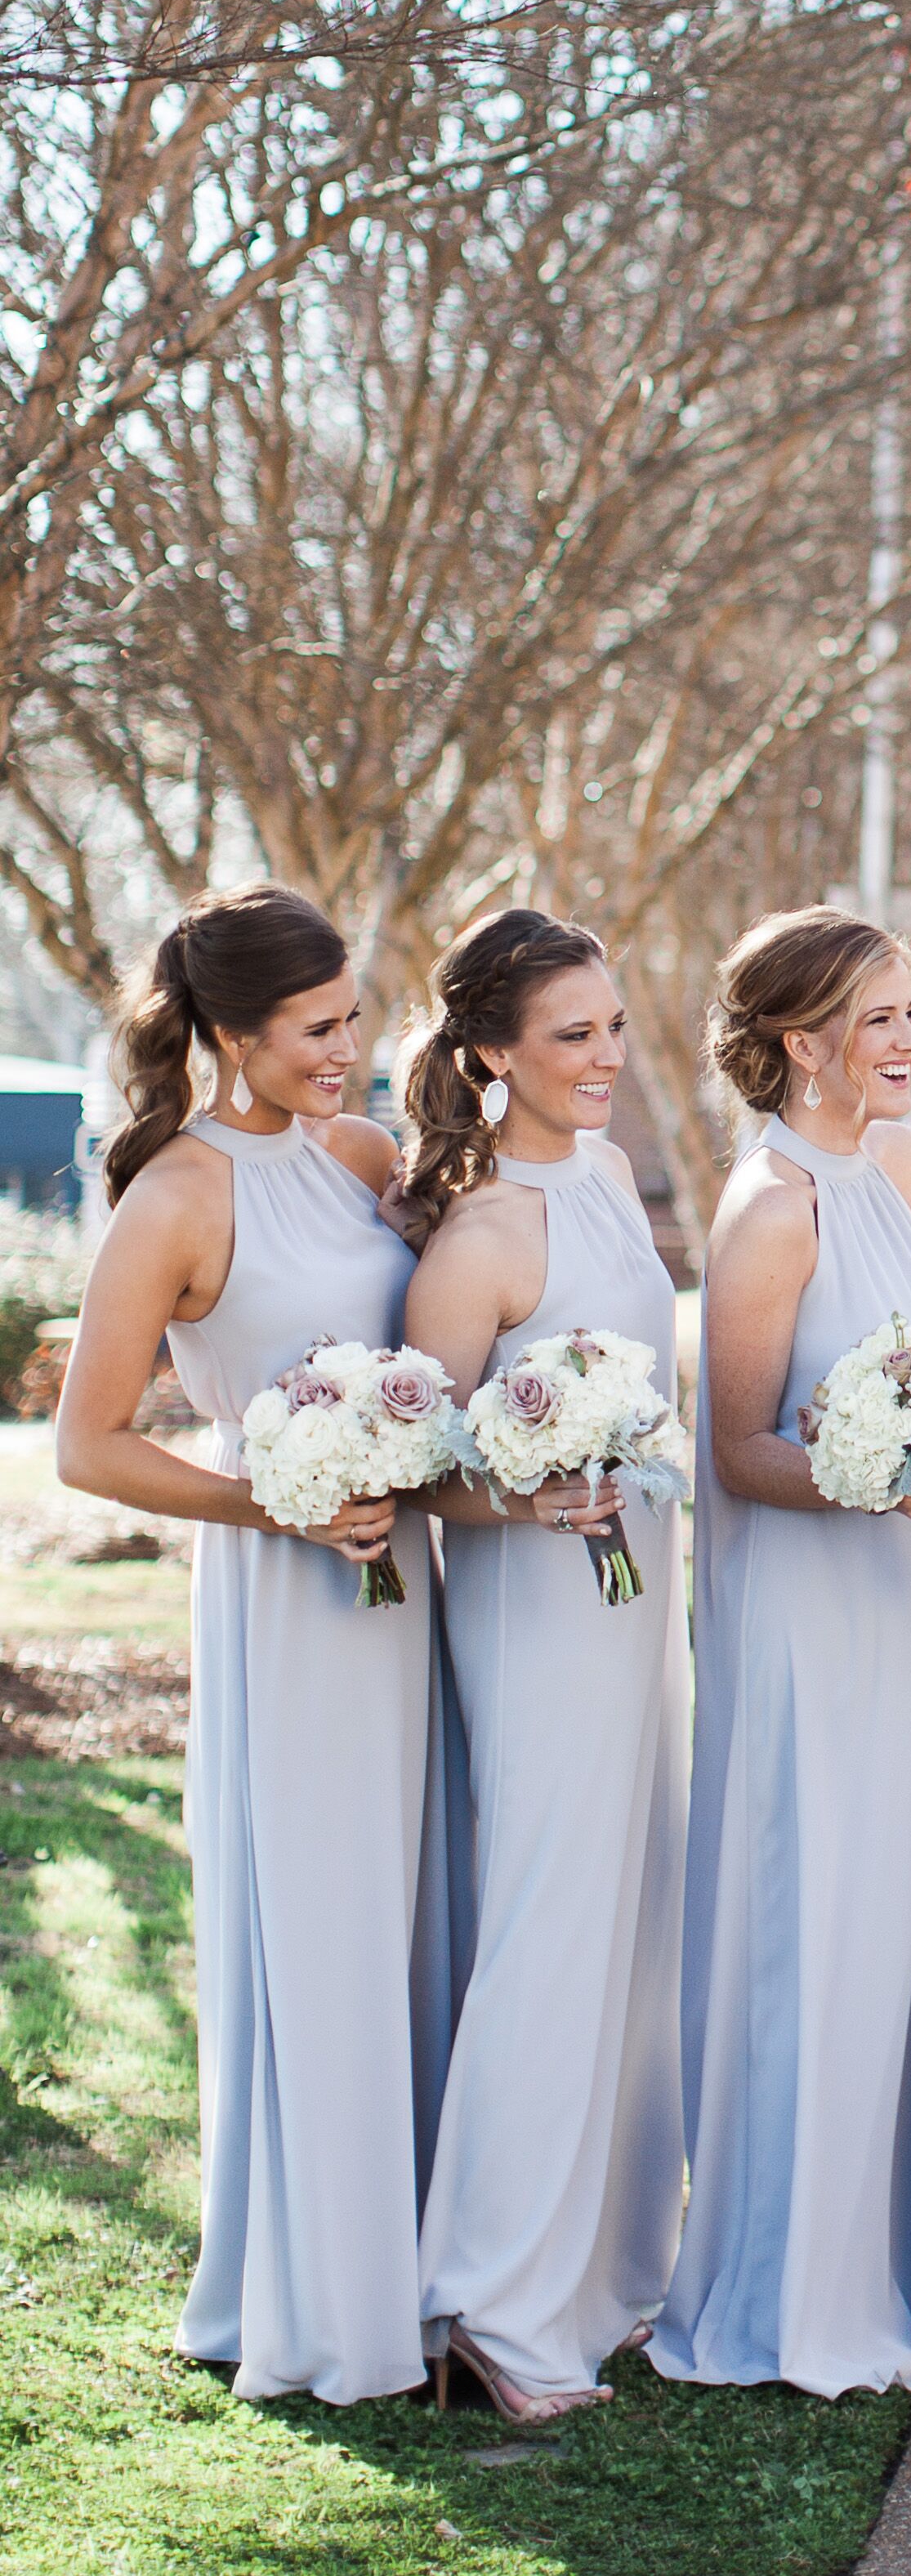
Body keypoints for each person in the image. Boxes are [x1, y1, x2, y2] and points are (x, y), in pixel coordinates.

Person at [57, 885, 448, 2404]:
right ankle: (320, 2289)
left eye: (353, 1018)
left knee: (414, 1903)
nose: (349, 1052)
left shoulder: (362, 1158)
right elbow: (87, 1449)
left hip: (416, 1580)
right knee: (325, 1916)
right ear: (231, 1034)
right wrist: (271, 1507)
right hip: (288, 1600)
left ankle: (429, 2259)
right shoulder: (174, 1198)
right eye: (317, 1029)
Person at [653, 912, 911, 2395]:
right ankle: (788, 2295)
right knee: (814, 1916)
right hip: (809, 1613)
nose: (909, 1042)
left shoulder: (900, 1169)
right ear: (801, 1044)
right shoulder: (767, 1211)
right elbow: (735, 1451)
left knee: (890, 1920)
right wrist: (872, 1473)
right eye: (882, 1019)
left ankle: (883, 2258)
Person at [400, 909, 692, 2421]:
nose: (602, 1060)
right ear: (491, 1053)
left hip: (629, 1598)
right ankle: (492, 2310)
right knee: (545, 1931)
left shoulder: (604, 1180)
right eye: (569, 1035)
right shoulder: (484, 1234)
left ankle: (597, 2271)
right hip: (532, 1612)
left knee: (628, 1925)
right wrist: (518, 1488)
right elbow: (414, 1469)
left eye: (614, 1028)